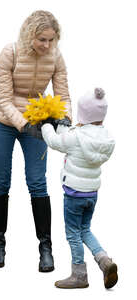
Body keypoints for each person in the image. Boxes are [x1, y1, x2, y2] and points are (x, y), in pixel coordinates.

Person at [0, 10, 72, 272]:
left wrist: (65, 119)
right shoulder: (9, 52)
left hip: (36, 121)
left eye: (51, 40)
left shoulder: (56, 56)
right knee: (1, 179)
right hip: (2, 121)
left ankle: (45, 247)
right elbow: (3, 98)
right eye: (42, 40)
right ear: (29, 34)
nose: (47, 45)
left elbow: (63, 93)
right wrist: (23, 125)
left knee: (37, 181)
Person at [40, 88, 118, 288]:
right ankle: (104, 261)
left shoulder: (76, 137)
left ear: (82, 114)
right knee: (85, 229)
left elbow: (54, 141)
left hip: (74, 195)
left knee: (73, 233)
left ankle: (79, 275)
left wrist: (47, 124)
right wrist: (63, 126)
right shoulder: (104, 137)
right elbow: (73, 135)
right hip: (92, 194)